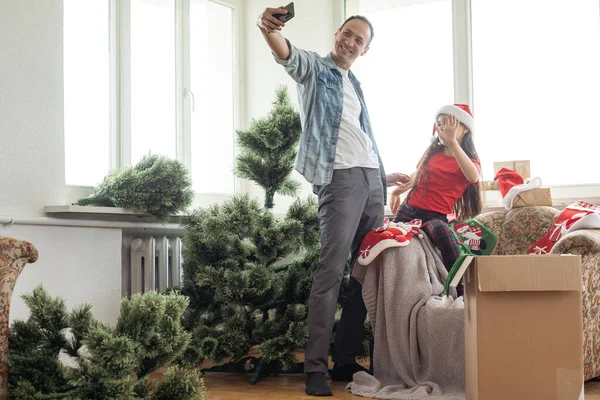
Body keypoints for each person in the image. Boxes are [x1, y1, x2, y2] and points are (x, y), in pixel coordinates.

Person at [257, 6, 409, 396]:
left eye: (359, 39)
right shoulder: (316, 69)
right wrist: (268, 28)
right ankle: (314, 369)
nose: (351, 41)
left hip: (371, 180)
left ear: (365, 50)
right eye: (347, 33)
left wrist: (380, 175)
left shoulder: (354, 83)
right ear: (337, 34)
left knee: (365, 273)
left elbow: (361, 135)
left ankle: (344, 361)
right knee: (330, 273)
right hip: (339, 181)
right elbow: (287, 54)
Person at [390, 104, 482, 279]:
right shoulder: (432, 151)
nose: (443, 128)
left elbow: (473, 177)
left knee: (445, 238)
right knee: (390, 242)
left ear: (465, 130)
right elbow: (418, 175)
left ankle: (461, 288)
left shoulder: (468, 160)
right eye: (440, 124)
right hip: (408, 209)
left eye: (449, 123)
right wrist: (396, 192)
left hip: (435, 216)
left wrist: (452, 142)